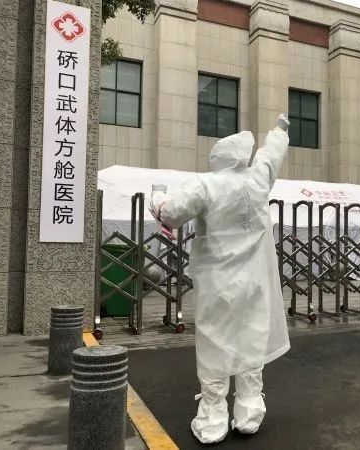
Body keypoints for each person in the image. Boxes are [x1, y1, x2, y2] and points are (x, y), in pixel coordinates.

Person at [150, 114, 291, 444]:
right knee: (251, 341)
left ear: (218, 157)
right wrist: (279, 130)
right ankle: (249, 414)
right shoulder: (257, 180)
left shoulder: (206, 184)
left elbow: (172, 213)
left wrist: (157, 199)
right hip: (254, 281)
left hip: (218, 282)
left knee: (215, 344)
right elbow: (270, 156)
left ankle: (213, 420)